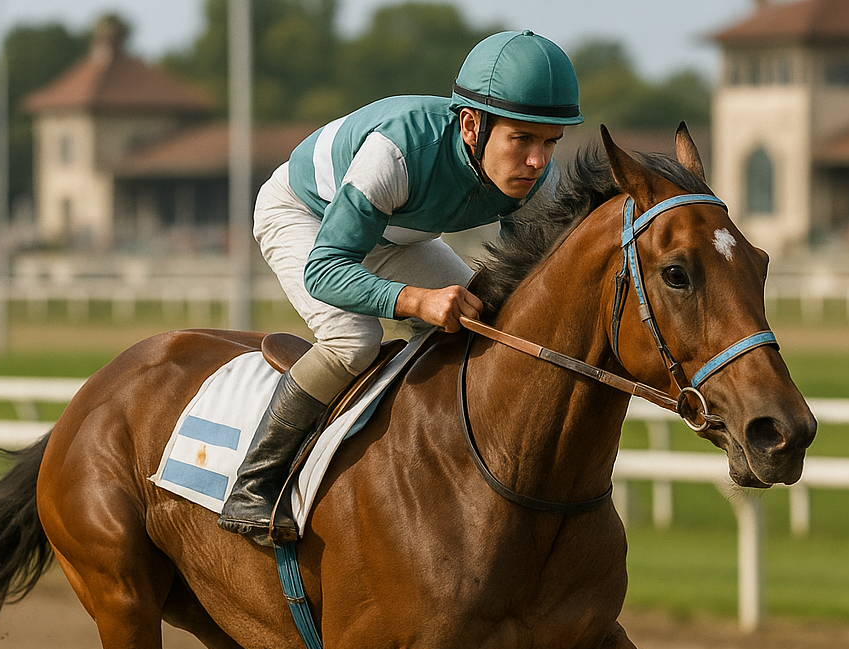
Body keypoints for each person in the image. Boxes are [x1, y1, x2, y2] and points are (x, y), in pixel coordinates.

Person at [218, 29, 583, 543]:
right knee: (354, 342)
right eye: (521, 139)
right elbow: (325, 269)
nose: (537, 162)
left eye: (550, 142)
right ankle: (253, 486)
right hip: (306, 216)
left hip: (393, 232)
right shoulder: (397, 148)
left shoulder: (534, 178)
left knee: (487, 324)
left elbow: (525, 282)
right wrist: (416, 301)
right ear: (472, 124)